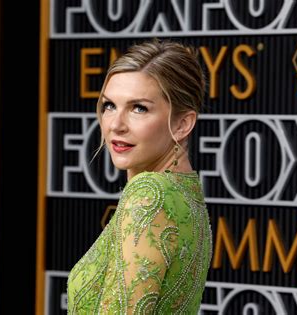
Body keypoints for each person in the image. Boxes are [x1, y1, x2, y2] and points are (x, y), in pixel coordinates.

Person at [67, 39, 213, 314]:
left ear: (183, 124)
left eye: (139, 108)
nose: (116, 125)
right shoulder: (186, 194)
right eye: (109, 105)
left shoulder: (150, 194)